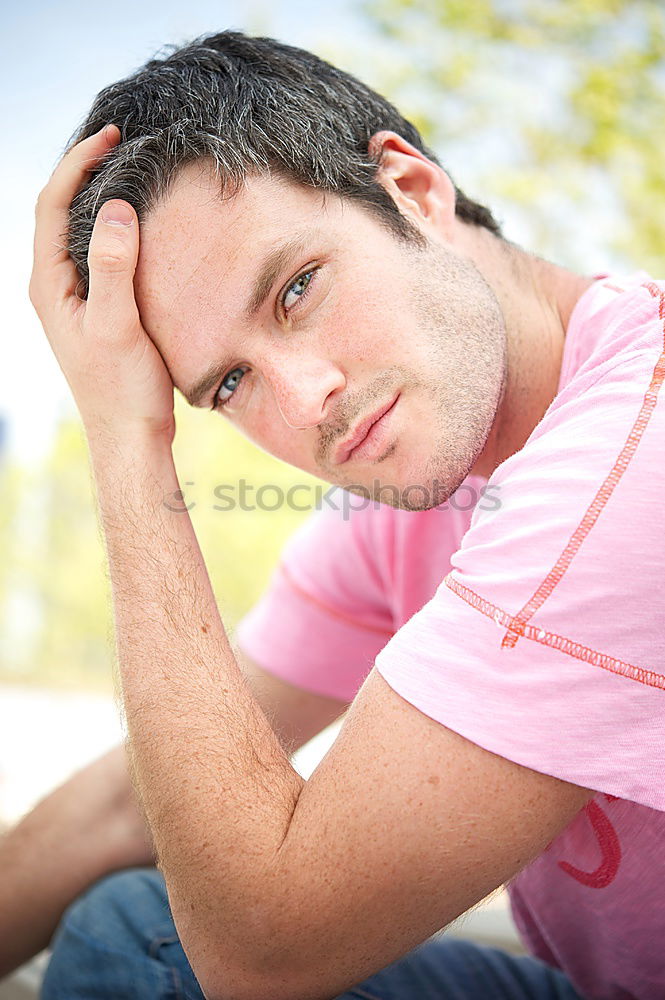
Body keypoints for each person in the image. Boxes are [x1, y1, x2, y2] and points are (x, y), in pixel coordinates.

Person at [4, 27, 664, 999]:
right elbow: (126, 804)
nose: (305, 397)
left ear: (411, 191)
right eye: (229, 382)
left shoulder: (632, 453)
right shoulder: (403, 481)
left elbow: (265, 947)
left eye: (296, 289)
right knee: (137, 930)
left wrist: (124, 442)